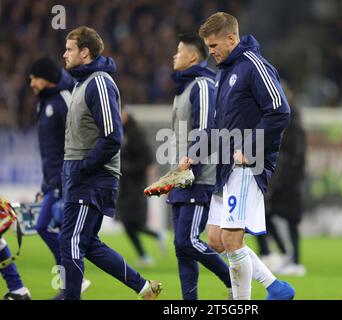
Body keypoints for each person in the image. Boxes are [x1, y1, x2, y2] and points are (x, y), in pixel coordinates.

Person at [180, 12, 295, 300]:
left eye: (214, 45)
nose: (211, 52)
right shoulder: (224, 72)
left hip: (246, 165)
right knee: (216, 240)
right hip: (224, 166)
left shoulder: (254, 66)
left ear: (232, 38)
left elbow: (280, 111)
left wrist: (251, 146)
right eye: (208, 47)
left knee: (232, 240)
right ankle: (277, 288)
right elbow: (218, 126)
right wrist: (194, 155)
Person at [60, 26, 161, 300]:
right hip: (81, 175)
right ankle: (143, 287)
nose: (64, 54)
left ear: (85, 52)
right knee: (88, 244)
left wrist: (84, 167)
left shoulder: (99, 83)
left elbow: (113, 137)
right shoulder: (81, 83)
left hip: (91, 177)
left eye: (69, 49)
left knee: (69, 241)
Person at [168, 33, 232, 300]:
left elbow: (206, 130)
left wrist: (192, 160)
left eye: (179, 51)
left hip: (198, 176)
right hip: (181, 176)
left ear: (194, 56)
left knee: (188, 241)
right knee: (181, 247)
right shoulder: (183, 89)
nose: (174, 55)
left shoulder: (203, 85)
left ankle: (234, 280)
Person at [29, 57, 91, 299]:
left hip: (66, 180)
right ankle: (70, 286)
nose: (31, 83)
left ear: (45, 78)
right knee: (50, 229)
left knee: (51, 229)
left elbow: (75, 140)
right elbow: (49, 152)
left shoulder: (64, 99)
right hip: (53, 181)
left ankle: (72, 284)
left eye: (34, 78)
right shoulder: (42, 104)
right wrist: (45, 186)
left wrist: (67, 177)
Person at [257, 83, 307, 276]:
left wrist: (282, 180)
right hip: (281, 178)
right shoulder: (284, 118)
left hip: (288, 180)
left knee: (288, 219)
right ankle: (285, 256)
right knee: (267, 215)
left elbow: (293, 155)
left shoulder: (291, 121)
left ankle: (293, 260)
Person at [116, 107, 163, 267]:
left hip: (135, 184)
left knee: (130, 221)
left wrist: (127, 168)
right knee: (128, 222)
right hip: (125, 184)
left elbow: (147, 159)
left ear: (124, 113)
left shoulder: (135, 132)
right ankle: (155, 237)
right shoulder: (120, 130)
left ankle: (145, 253)